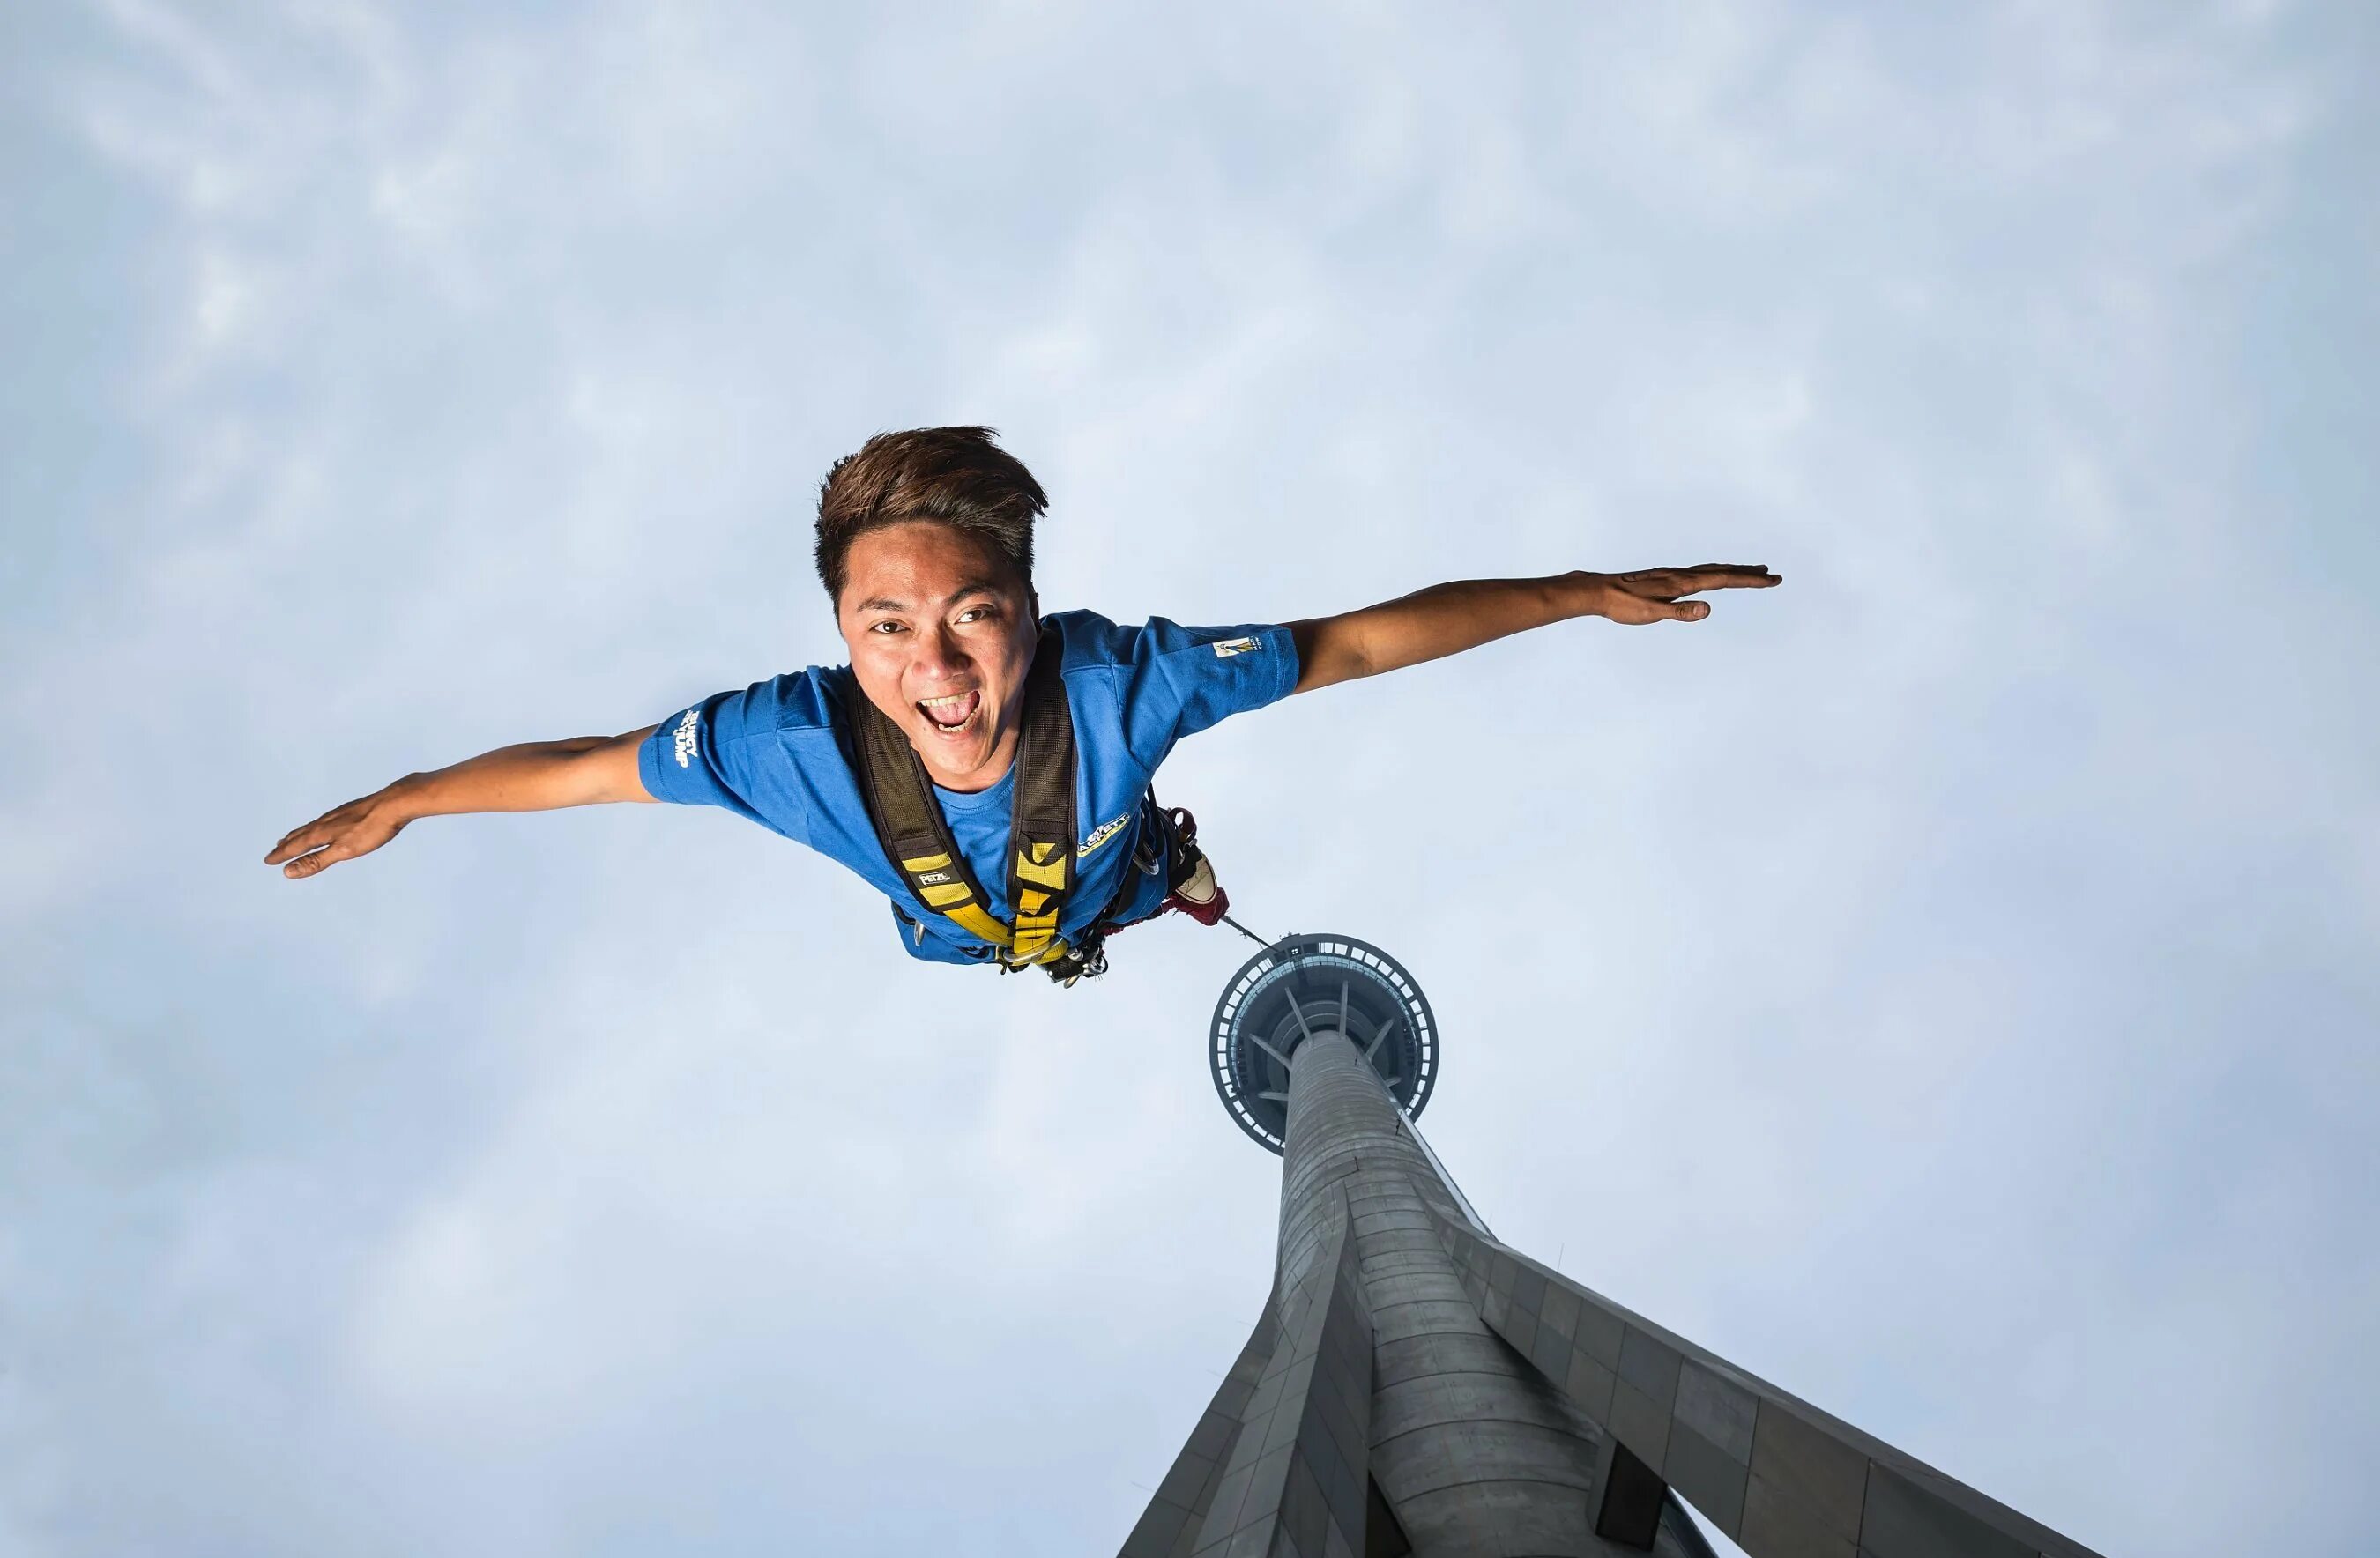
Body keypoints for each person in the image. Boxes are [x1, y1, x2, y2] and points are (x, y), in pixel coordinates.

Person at [267, 427, 1779, 983]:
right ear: (841, 638)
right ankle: (1144, 885)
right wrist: (407, 798)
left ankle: (1170, 870)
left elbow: (1361, 643)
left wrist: (1574, 591)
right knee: (1069, 916)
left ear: (1032, 613)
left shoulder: (1130, 682)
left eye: (974, 614)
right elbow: (588, 770)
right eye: (889, 627)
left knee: (1143, 882)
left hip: (1099, 876)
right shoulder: (784, 742)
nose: (938, 668)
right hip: (966, 928)